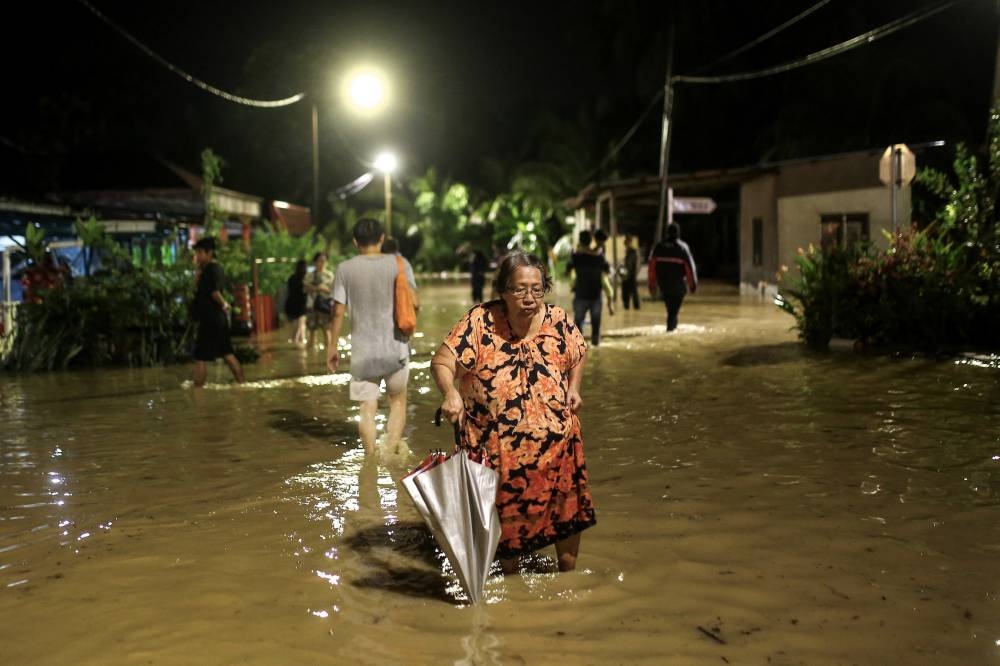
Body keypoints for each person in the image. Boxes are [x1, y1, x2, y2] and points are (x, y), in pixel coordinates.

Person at [432, 251, 596, 574]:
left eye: (537, 289)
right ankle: (510, 606)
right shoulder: (480, 322)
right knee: (507, 564)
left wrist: (574, 388)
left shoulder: (558, 320)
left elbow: (578, 352)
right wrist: (450, 392)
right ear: (503, 290)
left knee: (567, 555)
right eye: (520, 289)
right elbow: (442, 361)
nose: (529, 298)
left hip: (558, 452)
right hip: (499, 458)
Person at [327, 219, 417, 456]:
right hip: (395, 348)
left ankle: (370, 462)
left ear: (355, 241)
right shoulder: (399, 264)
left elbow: (337, 312)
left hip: (363, 354)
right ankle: (389, 453)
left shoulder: (344, 268)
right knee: (397, 403)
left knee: (367, 408)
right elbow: (415, 302)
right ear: (382, 239)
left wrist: (332, 346)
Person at [190, 237, 245, 386]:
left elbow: (214, 292)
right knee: (227, 353)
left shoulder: (211, 269)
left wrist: (224, 304)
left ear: (209, 253)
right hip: (214, 319)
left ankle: (197, 391)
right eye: (197, 253)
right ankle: (242, 385)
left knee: (199, 356)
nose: (197, 256)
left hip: (210, 319)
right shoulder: (208, 270)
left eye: (200, 252)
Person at [566, 230, 613, 346]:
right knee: (596, 324)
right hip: (596, 296)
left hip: (581, 295)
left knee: (578, 323)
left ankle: (579, 348)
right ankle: (595, 343)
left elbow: (567, 271)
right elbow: (607, 271)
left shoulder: (576, 256)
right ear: (590, 241)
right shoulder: (599, 257)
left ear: (580, 241)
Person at [648, 222, 698, 331]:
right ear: (678, 233)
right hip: (678, 287)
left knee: (671, 310)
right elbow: (690, 267)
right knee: (673, 311)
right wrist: (692, 284)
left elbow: (651, 267)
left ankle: (672, 328)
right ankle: (670, 330)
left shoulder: (658, 247)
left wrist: (652, 285)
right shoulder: (682, 248)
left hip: (664, 286)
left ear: (667, 232)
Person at [304, 251, 334, 350]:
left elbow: (333, 291)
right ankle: (312, 355)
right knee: (312, 332)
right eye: (319, 261)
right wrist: (318, 288)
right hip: (312, 306)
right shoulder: (309, 275)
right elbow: (305, 288)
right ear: (315, 262)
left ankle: (327, 355)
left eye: (323, 261)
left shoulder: (330, 275)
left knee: (327, 331)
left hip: (325, 307)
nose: (321, 263)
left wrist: (322, 288)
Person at [284, 258, 308, 346]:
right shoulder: (306, 278)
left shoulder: (292, 278)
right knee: (300, 326)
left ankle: (298, 343)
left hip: (291, 304)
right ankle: (296, 343)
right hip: (301, 305)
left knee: (298, 326)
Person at [620, 234, 641, 310]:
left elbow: (636, 265)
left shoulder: (633, 252)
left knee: (634, 294)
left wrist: (634, 275)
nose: (626, 242)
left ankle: (636, 307)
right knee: (625, 294)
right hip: (625, 276)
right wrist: (622, 274)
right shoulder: (625, 252)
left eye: (628, 241)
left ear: (630, 242)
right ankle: (626, 307)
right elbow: (623, 264)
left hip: (631, 276)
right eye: (626, 241)